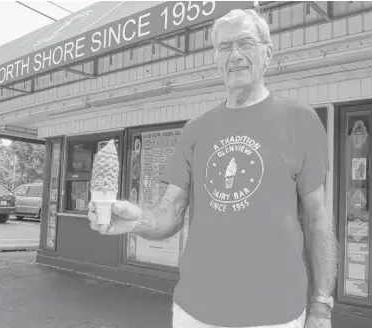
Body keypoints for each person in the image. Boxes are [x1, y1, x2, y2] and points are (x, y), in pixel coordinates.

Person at [88, 8, 338, 328]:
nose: (235, 55)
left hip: (276, 315)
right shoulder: (196, 130)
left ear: (268, 53)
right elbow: (170, 213)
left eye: (245, 43)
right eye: (224, 47)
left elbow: (317, 217)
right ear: (216, 59)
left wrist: (320, 307)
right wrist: (134, 220)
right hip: (195, 312)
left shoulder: (300, 120)